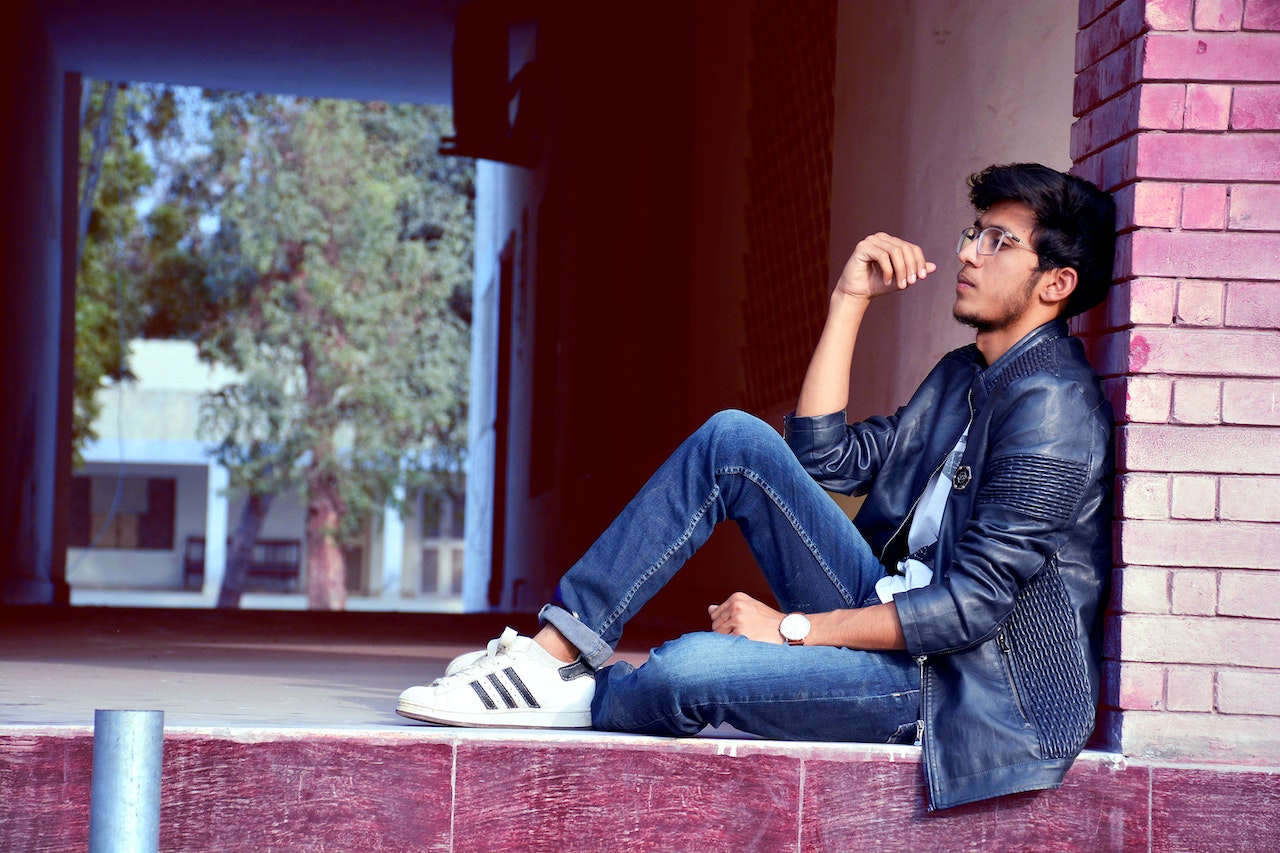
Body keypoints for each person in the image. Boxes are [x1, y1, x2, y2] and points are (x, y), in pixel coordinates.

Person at [397, 163, 1117, 810]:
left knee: (686, 671)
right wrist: (848, 299)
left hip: (955, 688)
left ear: (1056, 283)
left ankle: (581, 694)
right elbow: (824, 456)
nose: (966, 252)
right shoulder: (966, 375)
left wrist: (792, 629)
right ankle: (552, 654)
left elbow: (973, 607)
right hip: (888, 612)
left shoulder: (1052, 405)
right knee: (736, 439)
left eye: (996, 240)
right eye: (973, 233)